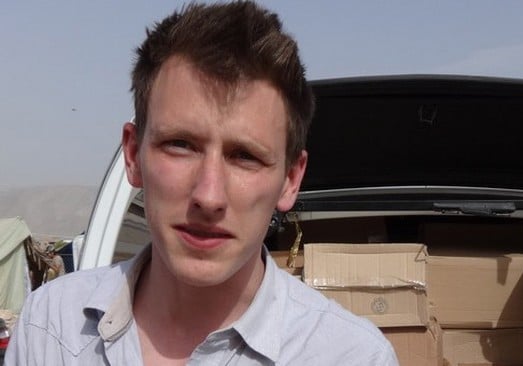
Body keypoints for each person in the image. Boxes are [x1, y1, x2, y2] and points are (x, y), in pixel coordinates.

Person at [6, 2, 398, 365]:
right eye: (180, 145)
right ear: (132, 155)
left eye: (245, 156)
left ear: (290, 180)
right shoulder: (51, 329)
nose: (209, 196)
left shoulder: (351, 356)